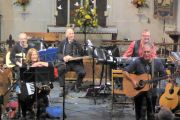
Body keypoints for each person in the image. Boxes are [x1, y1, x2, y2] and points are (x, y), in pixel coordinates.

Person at [123, 43, 166, 120]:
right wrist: (132, 80)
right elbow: (125, 71)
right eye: (145, 52)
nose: (146, 54)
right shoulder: (137, 61)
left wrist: (156, 81)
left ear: (152, 51)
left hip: (152, 93)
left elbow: (164, 75)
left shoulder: (157, 63)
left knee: (151, 115)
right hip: (139, 93)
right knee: (140, 116)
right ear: (142, 51)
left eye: (148, 52)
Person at [19, 48, 53, 119]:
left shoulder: (41, 62)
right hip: (29, 85)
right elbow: (23, 77)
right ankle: (27, 111)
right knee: (23, 94)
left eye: (35, 54)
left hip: (40, 85)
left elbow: (51, 65)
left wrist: (40, 63)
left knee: (42, 96)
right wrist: (33, 66)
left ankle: (40, 113)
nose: (34, 56)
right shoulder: (25, 64)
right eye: (32, 55)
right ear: (29, 56)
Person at [57, 28, 86, 93]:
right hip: (66, 63)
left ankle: (77, 85)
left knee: (82, 72)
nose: (72, 35)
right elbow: (58, 53)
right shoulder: (62, 43)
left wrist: (72, 57)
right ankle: (63, 88)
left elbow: (81, 55)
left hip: (75, 63)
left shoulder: (77, 43)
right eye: (70, 33)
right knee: (60, 69)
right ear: (66, 35)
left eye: (73, 33)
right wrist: (63, 57)